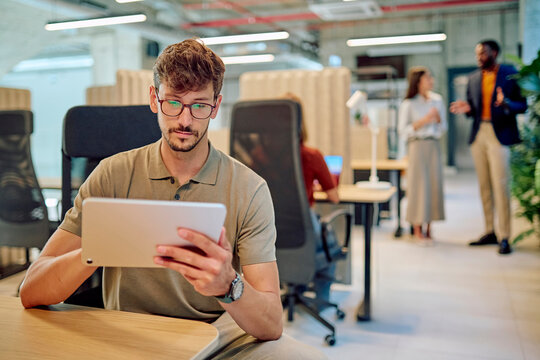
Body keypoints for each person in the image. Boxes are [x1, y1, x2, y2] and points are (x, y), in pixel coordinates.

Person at [19, 39, 326, 359]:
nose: (185, 120)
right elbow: (31, 291)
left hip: (216, 336)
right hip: (128, 331)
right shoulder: (112, 175)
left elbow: (272, 323)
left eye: (199, 105)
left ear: (216, 107)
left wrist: (228, 285)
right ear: (154, 99)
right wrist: (97, 248)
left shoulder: (249, 189)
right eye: (174, 102)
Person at [450, 39, 527, 255]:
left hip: (499, 134)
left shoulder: (510, 73)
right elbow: (473, 108)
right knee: (484, 186)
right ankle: (489, 230)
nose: (479, 57)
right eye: (477, 53)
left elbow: (523, 105)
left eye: (482, 53)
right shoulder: (474, 78)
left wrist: (507, 104)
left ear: (494, 52)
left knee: (500, 186)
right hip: (479, 134)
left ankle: (505, 236)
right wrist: (467, 109)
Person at [282, 92, 339, 306]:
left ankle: (291, 286)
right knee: (330, 246)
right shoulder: (311, 155)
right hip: (303, 226)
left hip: (270, 227)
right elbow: (334, 197)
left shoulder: (260, 154)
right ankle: (322, 300)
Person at [398, 67, 446, 245]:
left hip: (433, 145)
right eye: (427, 78)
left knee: (434, 185)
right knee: (418, 188)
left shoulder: (437, 100)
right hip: (416, 146)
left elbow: (443, 128)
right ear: (418, 82)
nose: (431, 81)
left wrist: (438, 119)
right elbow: (403, 131)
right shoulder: (408, 104)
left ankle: (429, 228)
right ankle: (417, 229)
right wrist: (425, 120)